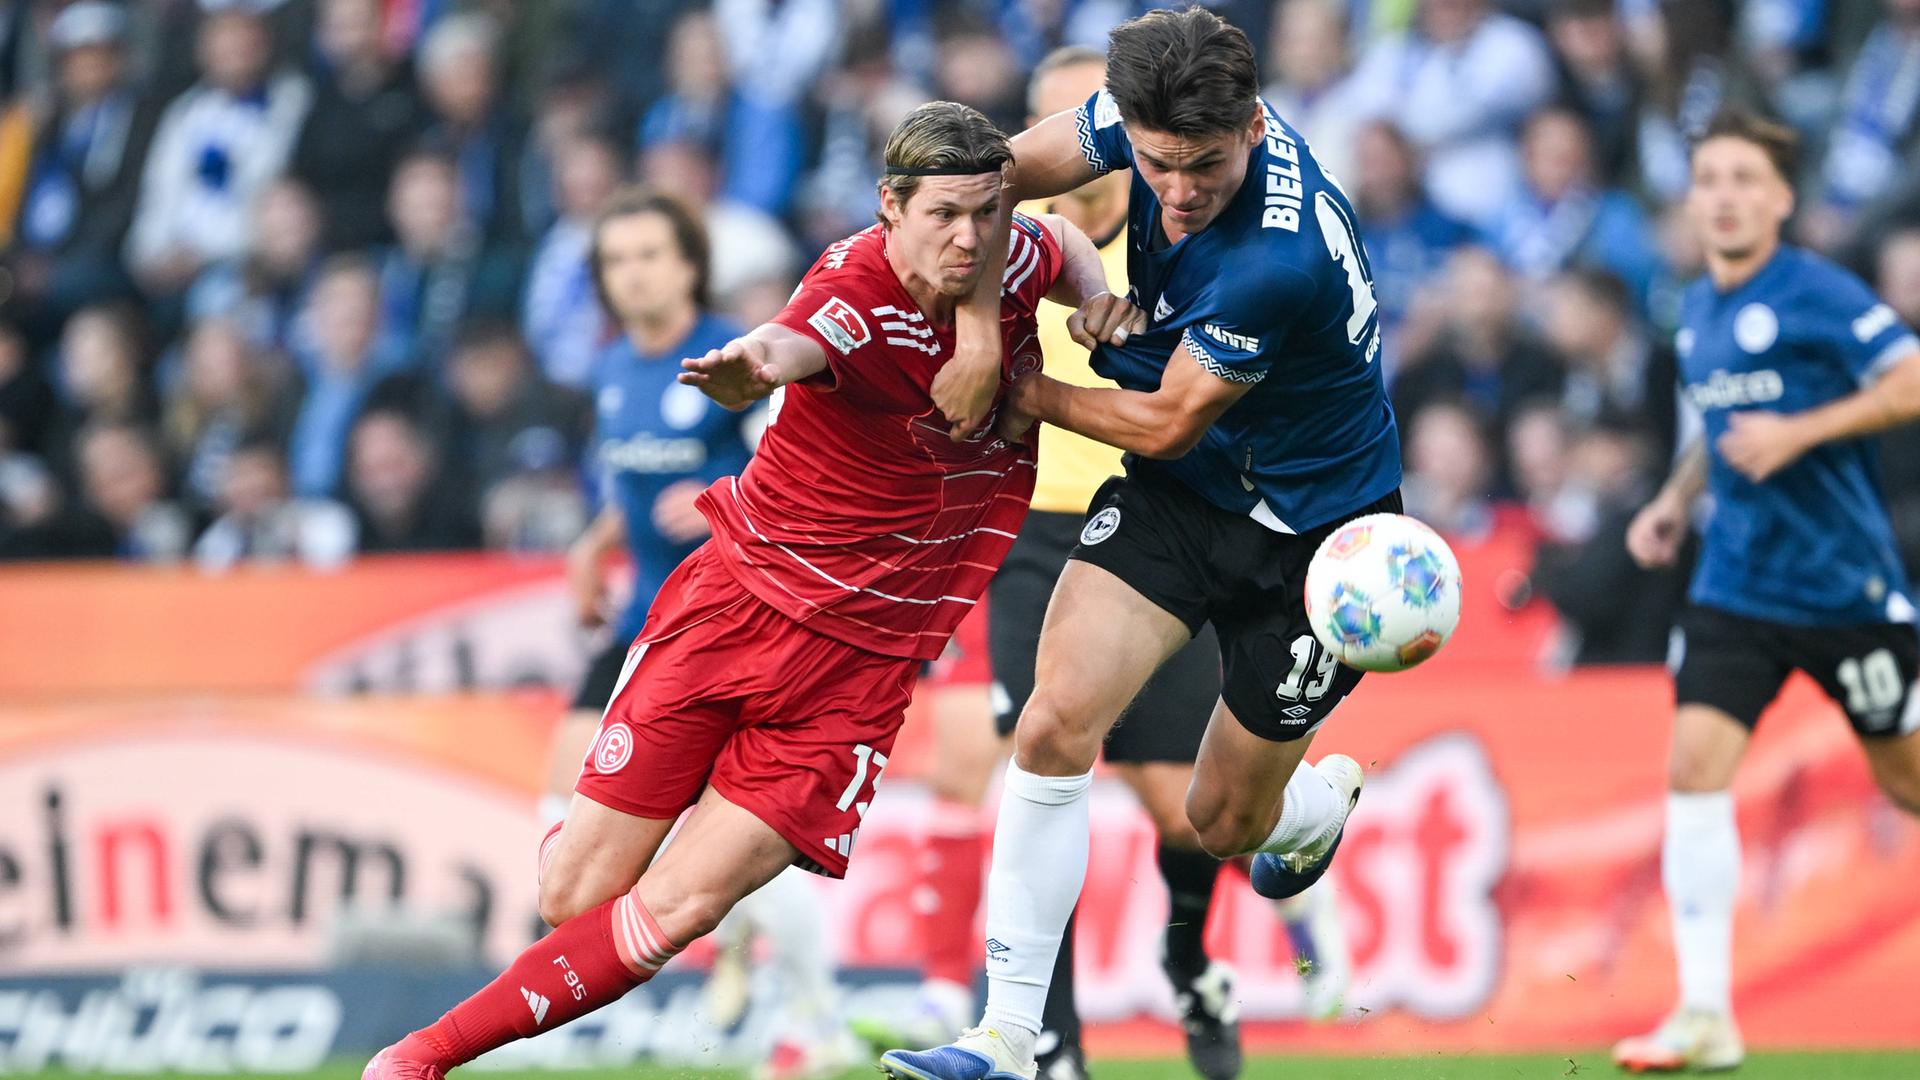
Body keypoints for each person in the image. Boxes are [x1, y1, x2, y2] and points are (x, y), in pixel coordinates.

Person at [362, 99, 1117, 1079]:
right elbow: (791, 344)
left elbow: (1059, 238)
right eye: (943, 216)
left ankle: (416, 1060)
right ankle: (698, 863)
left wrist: (1094, 296)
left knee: (678, 910)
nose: (970, 237)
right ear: (889, 206)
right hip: (738, 612)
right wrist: (752, 369)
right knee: (570, 893)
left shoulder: (1015, 250)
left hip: (861, 671)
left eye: (985, 211)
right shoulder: (851, 289)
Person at [887, 9, 1400, 1079]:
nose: (1175, 191)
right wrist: (979, 334)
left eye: (1205, 165)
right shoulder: (1131, 121)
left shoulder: (1275, 257)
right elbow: (993, 179)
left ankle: (1310, 805)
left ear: (1255, 126)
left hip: (1312, 535)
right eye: (1157, 163)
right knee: (1055, 720)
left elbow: (1169, 417)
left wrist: (1021, 391)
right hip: (1185, 499)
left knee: (1219, 821)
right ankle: (1010, 1036)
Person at [1610, 109, 1920, 1073]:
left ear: (1782, 198)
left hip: (1844, 591)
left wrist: (1802, 432)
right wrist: (1672, 499)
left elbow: (1912, 378)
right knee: (1694, 772)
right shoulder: (1696, 306)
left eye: (1746, 178)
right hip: (1735, 588)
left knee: (1906, 781)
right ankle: (1706, 1012)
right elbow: (1720, 419)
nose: (1727, 196)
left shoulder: (1818, 292)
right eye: (1710, 179)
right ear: (1692, 197)